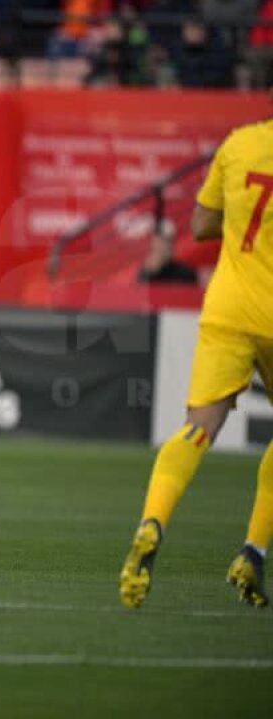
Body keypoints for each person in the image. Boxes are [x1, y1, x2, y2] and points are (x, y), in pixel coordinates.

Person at [119, 119, 273, 609]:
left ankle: (152, 521)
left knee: (198, 429)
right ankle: (253, 548)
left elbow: (202, 224)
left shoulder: (240, 142)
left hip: (228, 308)